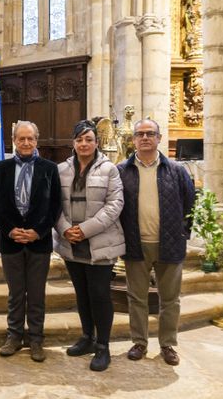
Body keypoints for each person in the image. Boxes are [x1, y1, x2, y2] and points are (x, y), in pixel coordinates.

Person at [118, 119, 194, 366]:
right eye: (140, 134)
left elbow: (189, 205)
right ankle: (139, 342)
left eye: (150, 133)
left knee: (170, 298)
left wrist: (183, 234)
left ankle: (168, 344)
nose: (145, 138)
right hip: (135, 243)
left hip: (169, 244)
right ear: (134, 140)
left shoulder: (176, 170)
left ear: (159, 138)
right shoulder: (122, 170)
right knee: (136, 297)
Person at [0, 121, 61, 363]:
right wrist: (10, 230)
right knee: (15, 293)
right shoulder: (1, 168)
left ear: (36, 141)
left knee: (37, 294)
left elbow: (56, 205)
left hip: (39, 242)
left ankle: (36, 339)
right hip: (11, 242)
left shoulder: (50, 169)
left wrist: (38, 231)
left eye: (30, 139)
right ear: (14, 141)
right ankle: (14, 336)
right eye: (21, 139)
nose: (26, 143)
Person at [54, 120, 125, 371]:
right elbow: (55, 205)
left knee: (100, 296)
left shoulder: (109, 170)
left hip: (99, 243)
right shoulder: (61, 169)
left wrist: (84, 230)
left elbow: (115, 205)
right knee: (82, 295)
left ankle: (103, 346)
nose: (84, 144)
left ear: (97, 142)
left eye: (89, 139)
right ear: (73, 143)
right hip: (72, 244)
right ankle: (87, 337)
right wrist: (65, 229)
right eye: (80, 139)